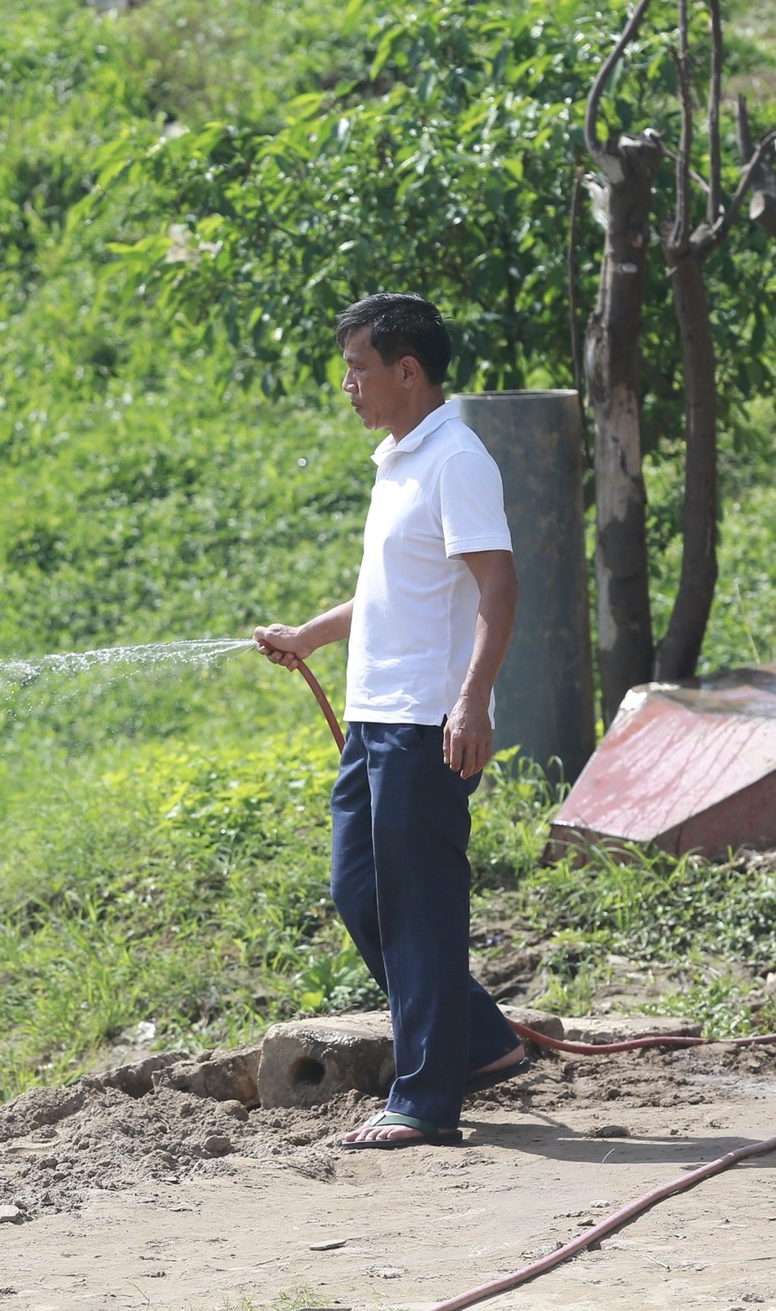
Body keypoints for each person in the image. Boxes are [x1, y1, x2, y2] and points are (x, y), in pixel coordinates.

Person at [254, 293, 529, 1149]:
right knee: (359, 891)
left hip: (425, 724)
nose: (348, 385)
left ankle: (425, 1100)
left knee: (420, 908)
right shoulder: (398, 460)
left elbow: (498, 586)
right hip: (375, 719)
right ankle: (480, 1040)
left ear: (407, 369)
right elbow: (389, 589)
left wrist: (473, 698)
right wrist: (309, 634)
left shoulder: (457, 460)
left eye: (360, 368)